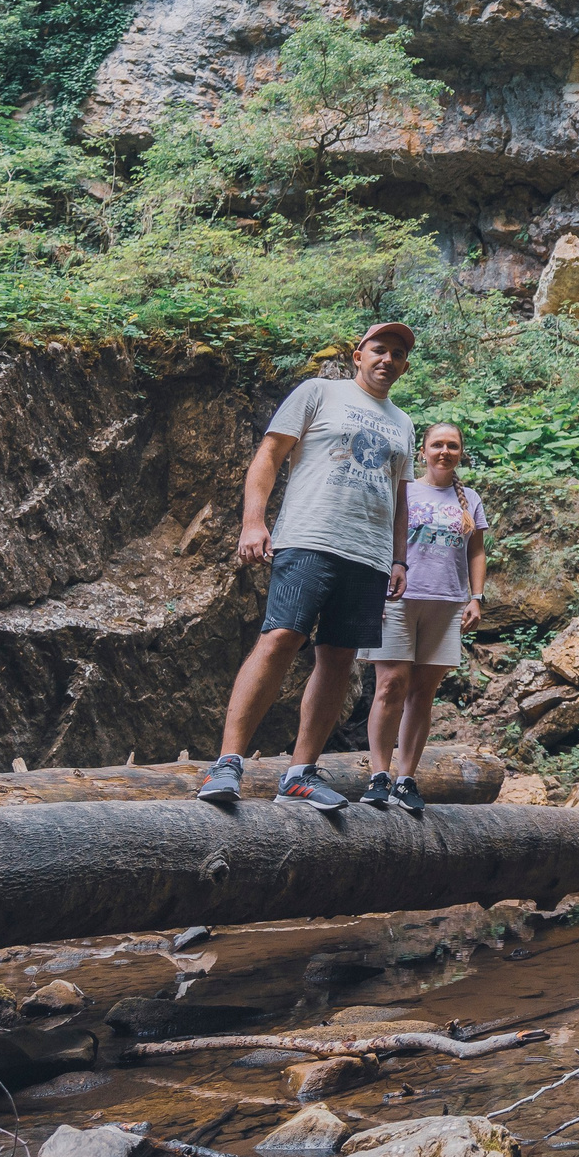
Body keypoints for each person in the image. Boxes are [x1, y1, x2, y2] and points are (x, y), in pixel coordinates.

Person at [197, 322, 417, 812]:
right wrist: (253, 521)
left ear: (405, 366)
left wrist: (400, 558)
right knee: (280, 637)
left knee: (338, 658)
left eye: (398, 354)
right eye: (379, 350)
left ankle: (300, 773)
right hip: (310, 537)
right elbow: (269, 455)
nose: (388, 359)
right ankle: (228, 762)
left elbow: (402, 499)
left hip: (370, 554)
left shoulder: (403, 423)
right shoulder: (319, 392)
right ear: (358, 354)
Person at [363, 422, 488, 814]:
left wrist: (477, 597)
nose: (444, 452)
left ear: (460, 453)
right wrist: (372, 589)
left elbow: (476, 552)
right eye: (437, 445)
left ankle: (406, 779)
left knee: (422, 694)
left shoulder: (470, 498)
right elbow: (378, 539)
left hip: (447, 602)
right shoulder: (405, 491)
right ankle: (379, 775)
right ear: (422, 452)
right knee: (390, 686)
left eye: (452, 446)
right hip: (397, 598)